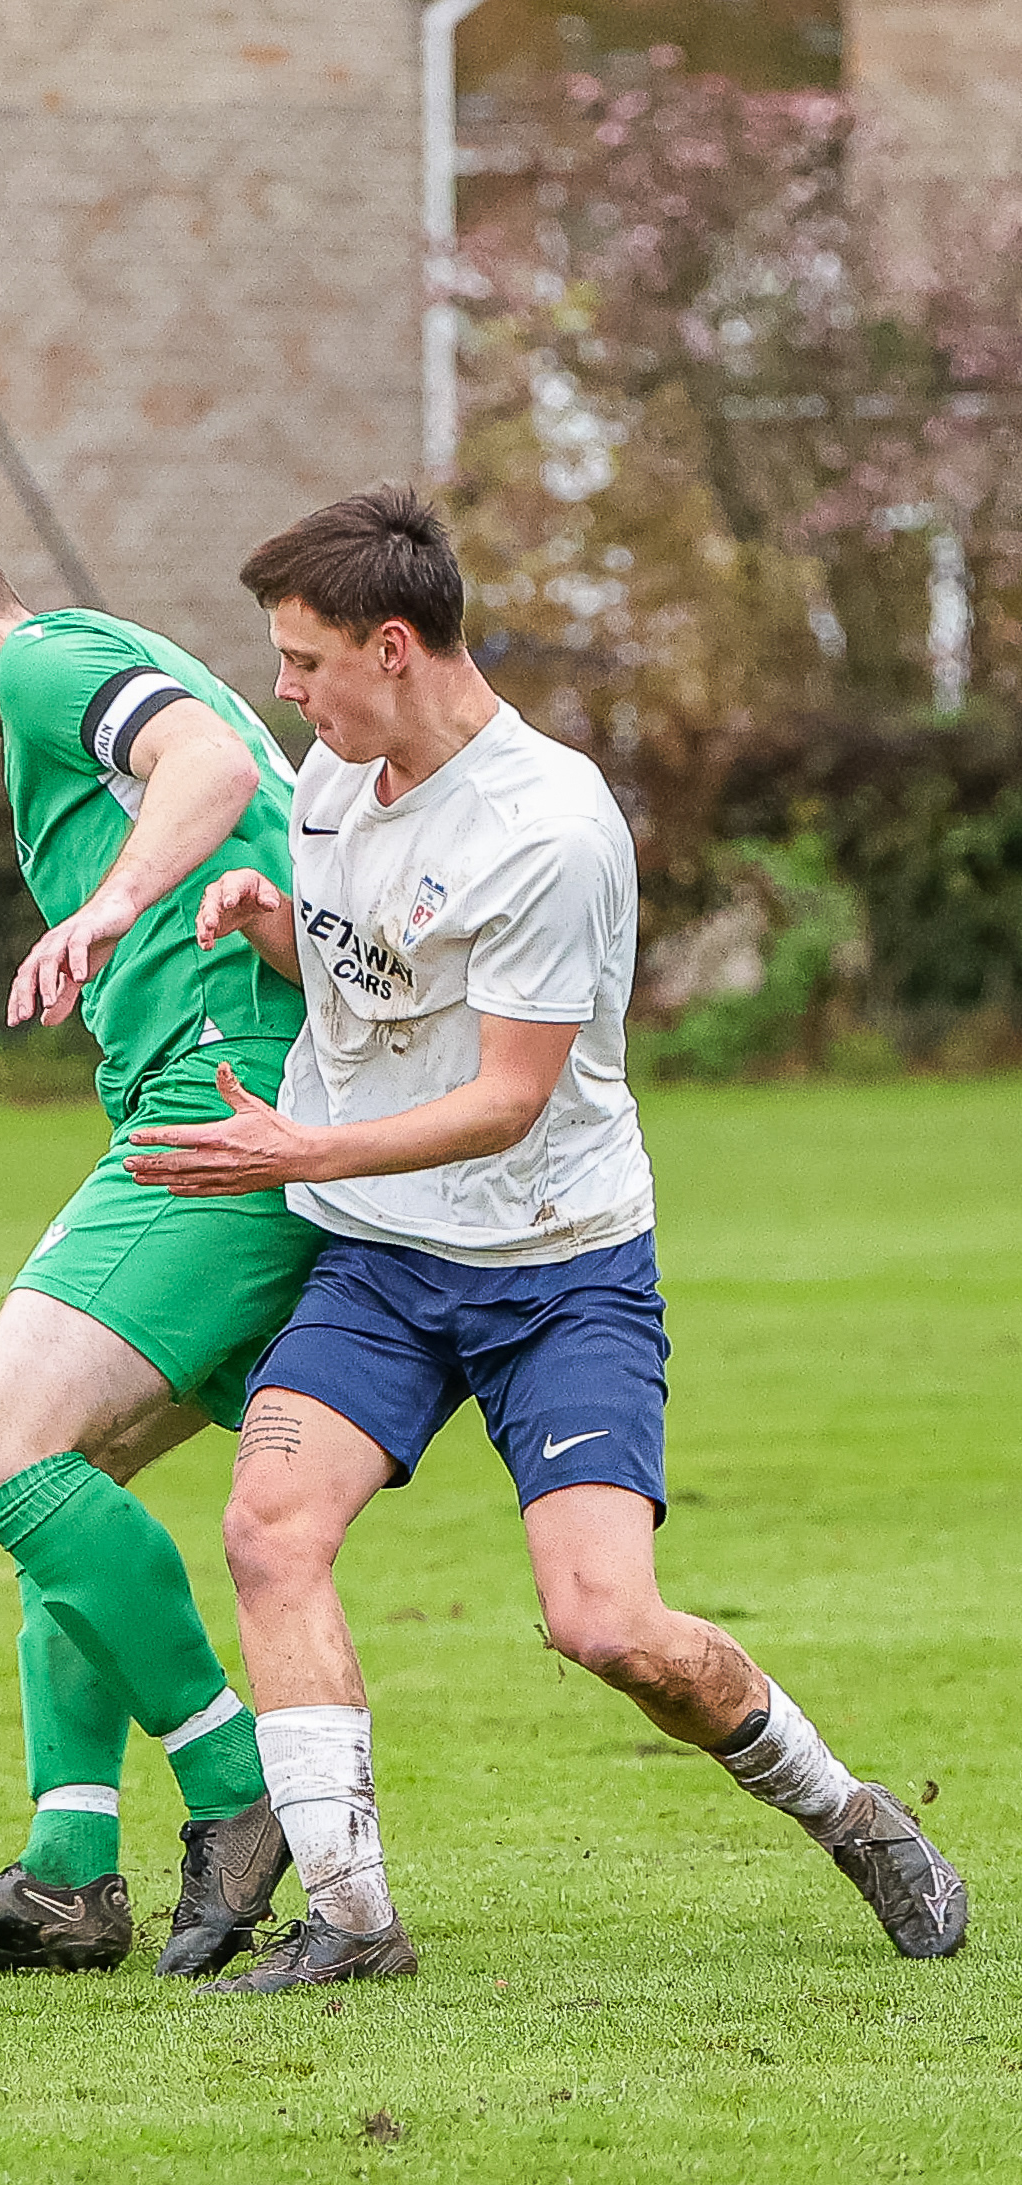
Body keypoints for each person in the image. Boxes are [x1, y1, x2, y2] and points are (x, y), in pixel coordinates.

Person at [121, 481, 969, 1992]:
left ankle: (849, 1812)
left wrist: (298, 1149)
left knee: (608, 1625)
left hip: (556, 1269)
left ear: (393, 646)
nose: (284, 691)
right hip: (383, 1261)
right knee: (269, 1529)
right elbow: (377, 976)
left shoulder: (550, 829)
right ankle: (355, 1919)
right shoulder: (332, 780)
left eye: (304, 660)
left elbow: (508, 1099)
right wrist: (270, 918)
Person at [0, 502, 323, 1975]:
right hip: (230, 1101)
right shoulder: (77, 681)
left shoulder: (39, 663)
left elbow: (212, 765)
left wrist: (108, 908)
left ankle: (240, 1786)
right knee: (66, 1484)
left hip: (225, 1107)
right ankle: (68, 1874)